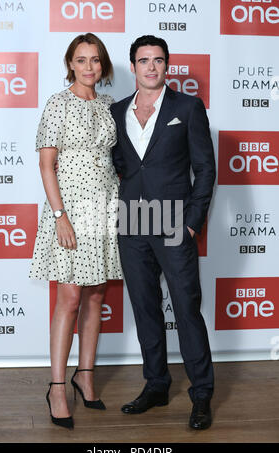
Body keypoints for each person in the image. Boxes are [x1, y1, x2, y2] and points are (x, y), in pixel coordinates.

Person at [110, 35, 216, 430]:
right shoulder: (117, 110)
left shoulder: (188, 107)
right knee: (145, 308)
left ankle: (201, 394)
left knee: (186, 310)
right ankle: (156, 385)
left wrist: (191, 221)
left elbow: (206, 169)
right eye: (142, 60)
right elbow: (123, 162)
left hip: (174, 223)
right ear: (133, 66)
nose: (150, 67)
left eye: (157, 60)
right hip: (132, 223)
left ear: (166, 66)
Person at [29, 33, 122, 429]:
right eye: (81, 60)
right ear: (70, 64)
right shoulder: (57, 103)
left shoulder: (108, 106)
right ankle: (55, 385)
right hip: (69, 210)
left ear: (103, 66)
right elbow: (46, 165)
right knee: (68, 297)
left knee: (96, 293)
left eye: (95, 60)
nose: (89, 67)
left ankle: (85, 375)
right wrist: (59, 216)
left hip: (105, 208)